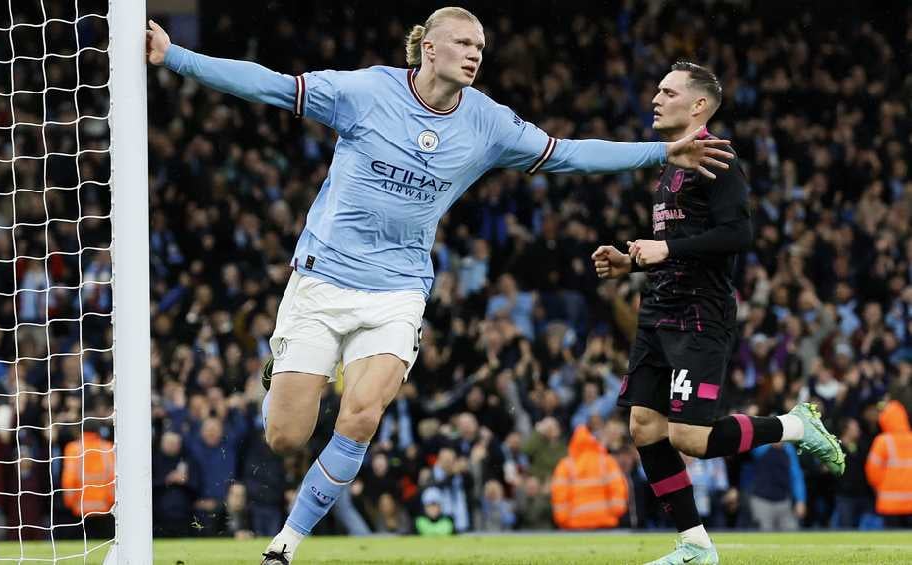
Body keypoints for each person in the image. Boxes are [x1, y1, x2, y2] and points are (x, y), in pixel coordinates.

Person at [146, 7, 732, 563]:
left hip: (398, 292)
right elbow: (270, 85)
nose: (475, 53)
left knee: (361, 414)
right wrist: (176, 57)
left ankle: (285, 544)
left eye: (480, 46)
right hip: (322, 280)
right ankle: (282, 373)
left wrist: (660, 150)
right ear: (429, 47)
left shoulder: (487, 122)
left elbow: (567, 153)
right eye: (464, 43)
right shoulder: (366, 92)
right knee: (285, 437)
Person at [592, 61, 844, 564]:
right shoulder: (669, 163)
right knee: (644, 427)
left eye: (668, 91)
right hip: (659, 309)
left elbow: (738, 234)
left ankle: (794, 427)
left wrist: (666, 250)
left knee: (690, 437)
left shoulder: (717, 157)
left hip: (699, 315)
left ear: (698, 105)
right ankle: (695, 545)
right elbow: (684, 244)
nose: (656, 98)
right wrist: (633, 264)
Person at [550, 425, 627, 529]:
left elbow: (559, 495)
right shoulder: (606, 461)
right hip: (604, 523)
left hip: (575, 525)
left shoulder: (565, 465)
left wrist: (563, 520)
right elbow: (618, 490)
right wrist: (615, 512)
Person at [865, 401, 912, 528]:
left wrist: (882, 486)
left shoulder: (883, 441)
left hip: (890, 503)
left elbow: (872, 471)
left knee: (892, 543)